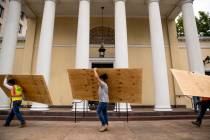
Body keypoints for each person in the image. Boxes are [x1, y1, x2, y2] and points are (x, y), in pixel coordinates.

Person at [93, 68, 109, 132]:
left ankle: (104, 125)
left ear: (102, 79)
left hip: (103, 101)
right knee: (104, 113)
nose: (98, 81)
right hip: (105, 101)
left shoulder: (103, 84)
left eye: (100, 79)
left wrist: (94, 70)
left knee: (98, 112)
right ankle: (106, 125)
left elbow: (97, 77)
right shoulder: (104, 85)